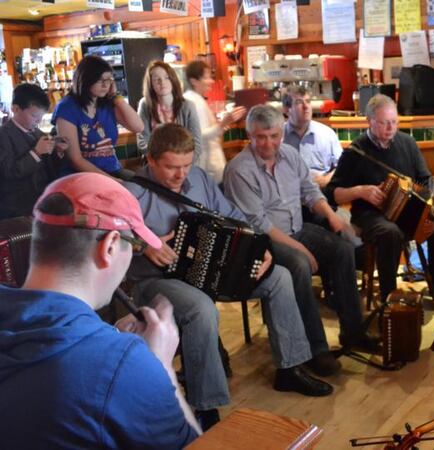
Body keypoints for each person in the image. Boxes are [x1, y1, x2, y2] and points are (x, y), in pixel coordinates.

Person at [125, 124, 333, 428]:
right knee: (201, 309)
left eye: (186, 165)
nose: (180, 175)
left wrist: (259, 247)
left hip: (211, 269)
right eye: (171, 167)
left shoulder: (198, 177)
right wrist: (144, 246)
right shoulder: (131, 192)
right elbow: (103, 236)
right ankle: (205, 405)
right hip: (157, 280)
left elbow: (233, 215)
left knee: (279, 278)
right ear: (151, 160)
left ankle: (290, 369)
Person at [0, 172, 200, 448]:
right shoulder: (123, 364)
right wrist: (161, 366)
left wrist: (105, 337)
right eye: (135, 246)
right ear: (110, 247)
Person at [224, 105, 369, 360]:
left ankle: (353, 333)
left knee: (343, 249)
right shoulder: (239, 169)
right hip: (262, 242)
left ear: (281, 133)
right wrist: (301, 249)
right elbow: (259, 223)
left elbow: (310, 192)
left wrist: (333, 217)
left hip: (297, 229)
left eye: (273, 136)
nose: (268, 143)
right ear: (250, 136)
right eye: (260, 137)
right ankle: (315, 349)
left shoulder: (290, 155)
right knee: (299, 265)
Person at [325, 94, 434, 312]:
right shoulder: (356, 151)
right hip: (371, 215)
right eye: (384, 122)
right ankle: (389, 302)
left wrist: (430, 196)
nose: (391, 127)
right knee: (390, 233)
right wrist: (360, 191)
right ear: (369, 121)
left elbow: (425, 180)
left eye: (394, 122)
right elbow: (331, 193)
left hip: (410, 213)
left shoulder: (407, 143)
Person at [52, 54, 144, 175]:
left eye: (109, 80)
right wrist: (112, 180)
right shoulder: (67, 107)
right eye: (101, 80)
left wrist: (116, 96)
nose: (106, 85)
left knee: (141, 188)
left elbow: (138, 127)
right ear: (86, 79)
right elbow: (75, 159)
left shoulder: (107, 103)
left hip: (112, 170)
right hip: (81, 175)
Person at [0, 84, 66, 219]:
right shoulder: (3, 135)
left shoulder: (38, 133)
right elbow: (8, 172)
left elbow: (50, 170)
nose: (38, 121)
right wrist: (36, 153)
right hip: (17, 207)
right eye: (34, 116)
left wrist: (58, 152)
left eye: (41, 116)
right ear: (15, 109)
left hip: (44, 200)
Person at [183, 60, 246, 184]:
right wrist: (223, 123)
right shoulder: (193, 102)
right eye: (206, 77)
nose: (211, 81)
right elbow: (198, 136)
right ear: (194, 81)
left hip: (207, 166)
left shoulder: (195, 99)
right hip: (206, 166)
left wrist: (221, 125)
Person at [137, 61, 202, 162]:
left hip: (184, 165)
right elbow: (142, 142)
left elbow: (197, 146)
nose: (162, 82)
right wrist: (161, 163)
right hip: (155, 165)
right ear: (150, 84)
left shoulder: (188, 106)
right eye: (156, 79)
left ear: (173, 80)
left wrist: (181, 166)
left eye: (166, 77)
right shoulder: (145, 104)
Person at [282, 85, 343, 189]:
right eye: (299, 102)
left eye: (308, 101)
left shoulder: (327, 133)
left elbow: (342, 166)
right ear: (287, 110)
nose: (306, 107)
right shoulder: (276, 136)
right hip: (286, 196)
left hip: (321, 192)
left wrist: (326, 179)